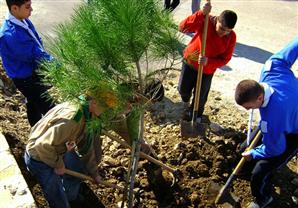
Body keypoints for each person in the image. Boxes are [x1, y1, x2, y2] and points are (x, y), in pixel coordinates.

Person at [234, 37, 298, 208]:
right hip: (284, 118)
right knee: (243, 148)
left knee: (261, 171)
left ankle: (263, 199)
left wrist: (255, 154)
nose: (248, 111)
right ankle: (244, 173)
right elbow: (292, 48)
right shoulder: (271, 68)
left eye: (249, 107)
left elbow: (274, 148)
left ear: (260, 97)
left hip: (294, 132)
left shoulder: (274, 117)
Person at [178, 1, 237, 122]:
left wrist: (209, 61)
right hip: (190, 61)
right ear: (217, 20)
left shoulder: (231, 36)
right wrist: (201, 13)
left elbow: (225, 59)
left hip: (207, 70)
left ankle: (195, 117)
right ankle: (185, 101)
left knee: (200, 99)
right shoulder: (205, 21)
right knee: (183, 90)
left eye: (227, 31)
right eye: (222, 28)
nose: (223, 33)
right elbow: (183, 27)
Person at [0, 0, 55, 126]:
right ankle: (50, 137)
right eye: (27, 7)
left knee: (32, 101)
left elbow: (36, 41)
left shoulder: (23, 21)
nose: (32, 10)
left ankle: (35, 126)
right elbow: (34, 54)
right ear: (14, 8)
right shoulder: (11, 34)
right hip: (24, 77)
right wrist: (55, 64)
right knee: (49, 107)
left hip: (31, 70)